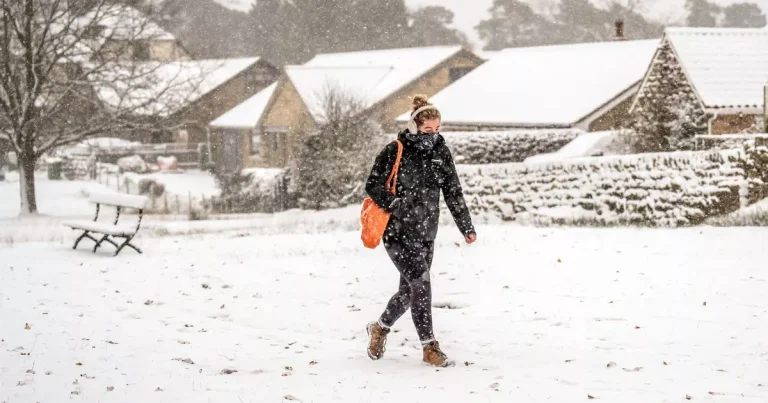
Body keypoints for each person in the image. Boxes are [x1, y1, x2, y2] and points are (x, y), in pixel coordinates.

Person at [364, 94, 477, 367]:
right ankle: (429, 347)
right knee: (421, 283)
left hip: (427, 232)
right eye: (427, 131)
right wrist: (395, 203)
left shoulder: (441, 152)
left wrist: (466, 226)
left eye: (437, 130)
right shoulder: (395, 150)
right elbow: (373, 184)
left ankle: (379, 327)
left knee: (409, 292)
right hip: (397, 232)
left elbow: (453, 191)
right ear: (415, 127)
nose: (432, 136)